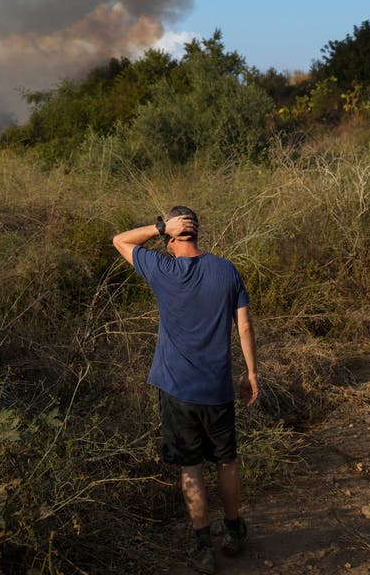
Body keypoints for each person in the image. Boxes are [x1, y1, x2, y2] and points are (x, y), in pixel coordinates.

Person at [112, 206, 259, 575]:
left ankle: (202, 546)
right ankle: (234, 529)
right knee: (226, 460)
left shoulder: (162, 270)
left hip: (177, 390)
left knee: (190, 467)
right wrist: (252, 373)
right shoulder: (226, 270)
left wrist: (159, 227)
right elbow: (244, 327)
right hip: (219, 389)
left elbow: (119, 240)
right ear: (198, 233)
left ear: (174, 234)